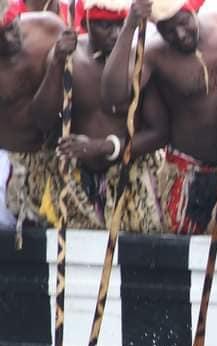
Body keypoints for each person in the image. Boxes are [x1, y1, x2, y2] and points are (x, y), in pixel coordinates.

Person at [101, 0, 217, 235]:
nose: (179, 35)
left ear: (193, 9)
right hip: (188, 172)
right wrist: (130, 25)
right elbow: (114, 97)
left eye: (183, 23)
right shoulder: (153, 53)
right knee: (182, 250)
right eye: (167, 30)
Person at [30, 0, 168, 232]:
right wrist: (56, 63)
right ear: (86, 23)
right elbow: (42, 121)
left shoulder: (140, 59)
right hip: (72, 181)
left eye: (119, 25)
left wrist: (104, 147)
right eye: (104, 26)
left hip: (129, 178)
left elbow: (159, 132)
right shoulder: (68, 56)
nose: (114, 34)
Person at [1, 1, 65, 231]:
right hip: (10, 163)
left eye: (10, 28)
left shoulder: (48, 28)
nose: (8, 40)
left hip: (62, 157)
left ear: (19, 16)